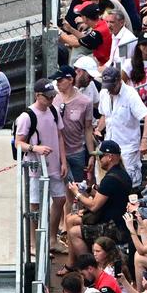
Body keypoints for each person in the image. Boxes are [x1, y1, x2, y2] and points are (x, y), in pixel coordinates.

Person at [16, 78, 69, 249]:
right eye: (48, 97)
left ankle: (52, 239)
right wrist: (35, 148)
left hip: (53, 165)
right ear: (38, 95)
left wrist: (63, 161)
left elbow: (60, 136)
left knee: (60, 200)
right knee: (35, 205)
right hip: (35, 167)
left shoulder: (53, 111)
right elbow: (18, 143)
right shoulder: (27, 116)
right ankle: (33, 243)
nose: (51, 99)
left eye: (53, 96)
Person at [66, 140, 131, 259]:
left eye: (100, 156)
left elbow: (94, 206)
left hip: (114, 227)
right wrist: (89, 189)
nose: (98, 160)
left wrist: (77, 194)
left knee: (74, 232)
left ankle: (88, 266)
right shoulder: (121, 173)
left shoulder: (110, 179)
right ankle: (72, 263)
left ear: (110, 157)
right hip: (115, 221)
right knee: (70, 219)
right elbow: (105, 196)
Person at [97, 66, 147, 186]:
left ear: (119, 81)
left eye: (112, 86)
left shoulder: (130, 94)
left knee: (130, 184)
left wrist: (144, 141)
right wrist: (98, 129)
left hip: (128, 148)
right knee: (109, 182)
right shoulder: (104, 93)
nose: (109, 90)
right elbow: (104, 115)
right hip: (109, 147)